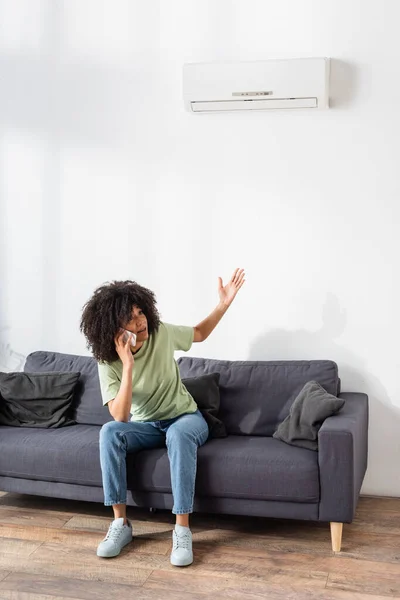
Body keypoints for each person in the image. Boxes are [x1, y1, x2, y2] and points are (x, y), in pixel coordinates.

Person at [80, 268, 245, 566]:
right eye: (130, 317)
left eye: (140, 311)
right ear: (113, 326)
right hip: (145, 425)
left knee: (178, 434)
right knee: (108, 432)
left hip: (184, 417)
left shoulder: (160, 333)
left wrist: (223, 303)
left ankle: (182, 529)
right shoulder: (108, 360)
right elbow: (120, 415)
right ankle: (121, 524)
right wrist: (127, 365)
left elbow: (199, 333)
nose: (140, 320)